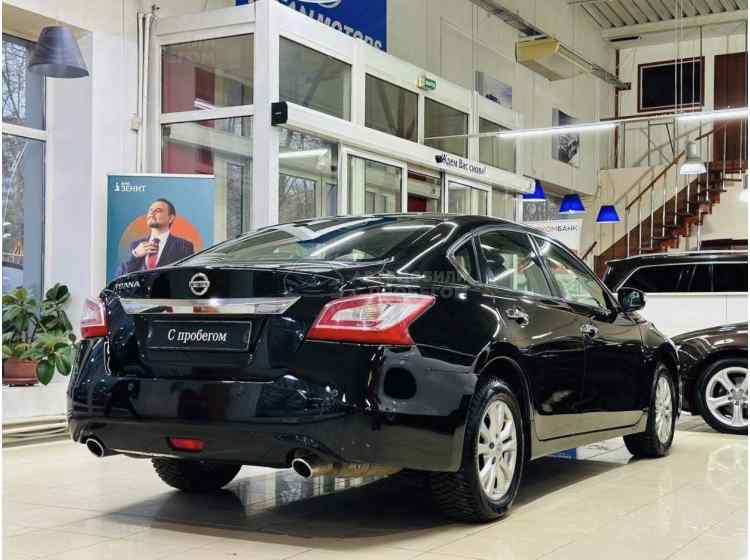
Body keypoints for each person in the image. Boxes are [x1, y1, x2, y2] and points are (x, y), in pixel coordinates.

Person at [116, 198, 194, 277]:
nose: (151, 213)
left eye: (158, 210)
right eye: (150, 210)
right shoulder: (135, 245)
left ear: (170, 218)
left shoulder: (185, 246)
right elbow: (120, 276)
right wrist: (135, 255)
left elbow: (189, 276)